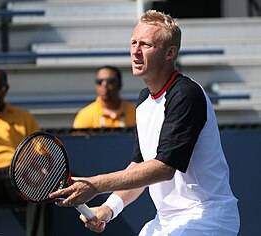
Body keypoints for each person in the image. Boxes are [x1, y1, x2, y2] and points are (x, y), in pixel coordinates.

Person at [49, 10, 240, 235]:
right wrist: (108, 209)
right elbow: (139, 168)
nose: (136, 52)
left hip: (206, 217)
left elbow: (163, 169)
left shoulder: (187, 94)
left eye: (146, 45)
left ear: (170, 52)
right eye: (133, 43)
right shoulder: (143, 101)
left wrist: (94, 185)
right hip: (165, 221)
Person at [0, 69, 52, 236]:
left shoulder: (23, 117)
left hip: (17, 175)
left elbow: (44, 152)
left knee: (43, 187)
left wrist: (27, 160)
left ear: (5, 89)